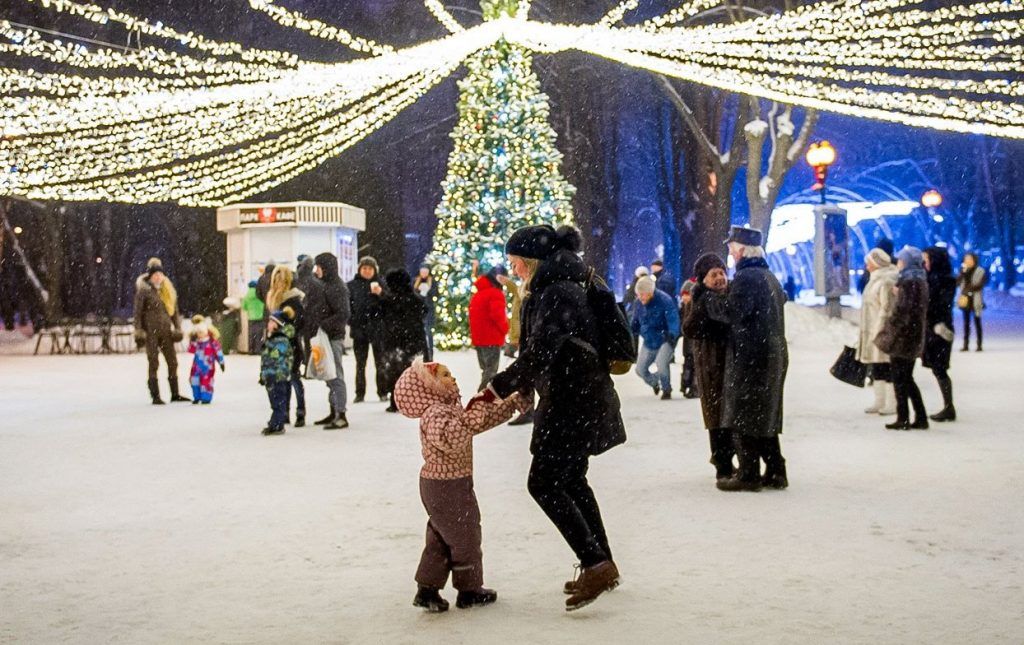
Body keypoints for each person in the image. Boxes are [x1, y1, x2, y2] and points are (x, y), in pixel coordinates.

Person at [488, 224, 626, 612]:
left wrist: (500, 385)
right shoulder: (562, 285)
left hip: (572, 400)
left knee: (544, 482)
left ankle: (597, 563)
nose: (513, 269)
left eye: (515, 262)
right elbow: (546, 348)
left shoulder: (556, 291)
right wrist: (525, 387)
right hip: (577, 396)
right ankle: (601, 561)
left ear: (530, 260)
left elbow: (543, 349)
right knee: (570, 479)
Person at [394, 359, 526, 613]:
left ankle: (427, 589)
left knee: (442, 538)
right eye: (445, 375)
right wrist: (477, 409)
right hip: (447, 486)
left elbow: (475, 424)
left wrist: (509, 405)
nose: (452, 378)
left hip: (444, 484)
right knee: (466, 535)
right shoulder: (435, 414)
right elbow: (451, 437)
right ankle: (469, 590)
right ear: (429, 387)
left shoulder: (447, 409)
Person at [713, 226, 789, 492]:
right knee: (764, 414)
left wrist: (712, 299)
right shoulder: (768, 276)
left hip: (752, 356)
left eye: (732, 248)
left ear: (743, 250)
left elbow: (733, 314)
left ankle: (748, 474)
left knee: (745, 414)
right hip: (772, 354)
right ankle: (777, 471)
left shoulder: (746, 278)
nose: (730, 253)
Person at [682, 253, 735, 483]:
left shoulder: (733, 296)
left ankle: (731, 459)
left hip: (731, 364)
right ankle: (722, 464)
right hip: (710, 368)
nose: (720, 278)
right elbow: (690, 328)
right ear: (703, 278)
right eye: (714, 274)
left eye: (722, 273)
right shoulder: (699, 299)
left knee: (731, 416)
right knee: (716, 417)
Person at [874, 246, 930, 431]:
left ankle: (904, 418)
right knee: (906, 378)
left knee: (900, 378)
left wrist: (892, 328)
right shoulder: (916, 279)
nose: (898, 263)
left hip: (904, 338)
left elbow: (905, 312)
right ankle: (919, 417)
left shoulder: (910, 282)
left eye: (901, 260)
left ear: (906, 262)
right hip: (910, 337)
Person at [133, 261, 188, 404]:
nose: (158, 277)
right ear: (151, 276)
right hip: (151, 332)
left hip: (166, 332)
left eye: (160, 274)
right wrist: (138, 330)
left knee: (173, 362)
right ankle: (155, 395)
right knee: (153, 362)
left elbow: (174, 312)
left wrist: (177, 327)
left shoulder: (167, 290)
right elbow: (138, 313)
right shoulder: (144, 291)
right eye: (155, 275)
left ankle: (175, 394)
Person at [375, 268, 429, 412]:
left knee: (395, 372)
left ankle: (396, 401)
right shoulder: (415, 298)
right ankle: (415, 401)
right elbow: (424, 312)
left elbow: (380, 316)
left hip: (395, 341)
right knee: (415, 372)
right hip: (414, 341)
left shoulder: (389, 300)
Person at [856, 248, 899, 416]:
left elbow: (886, 309)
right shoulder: (874, 279)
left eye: (869, 263)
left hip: (881, 332)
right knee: (877, 367)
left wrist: (878, 330)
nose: (867, 266)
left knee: (886, 366)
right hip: (872, 330)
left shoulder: (886, 280)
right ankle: (879, 400)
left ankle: (891, 403)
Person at [266, 266, 306, 427]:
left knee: (294, 379)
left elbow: (299, 324)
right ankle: (285, 412)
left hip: (292, 345)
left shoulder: (293, 300)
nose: (278, 284)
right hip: (279, 346)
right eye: (275, 280)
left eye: (281, 280)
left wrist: (282, 326)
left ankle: (300, 411)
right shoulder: (275, 301)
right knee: (284, 380)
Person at [314, 253, 351, 430]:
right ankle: (334, 410)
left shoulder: (337, 287)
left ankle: (341, 413)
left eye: (319, 266)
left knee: (335, 374)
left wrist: (323, 324)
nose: (316, 270)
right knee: (329, 375)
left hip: (333, 337)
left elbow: (343, 313)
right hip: (327, 336)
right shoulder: (327, 285)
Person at [630, 275, 680, 400]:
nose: (640, 297)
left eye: (643, 294)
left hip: (665, 339)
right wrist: (630, 333)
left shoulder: (665, 300)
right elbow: (635, 321)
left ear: (651, 292)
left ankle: (666, 389)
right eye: (638, 294)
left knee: (661, 363)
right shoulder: (638, 303)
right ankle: (654, 383)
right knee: (640, 370)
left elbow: (673, 318)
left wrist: (672, 334)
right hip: (649, 340)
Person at [923, 246, 958, 422]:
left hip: (941, 329)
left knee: (940, 368)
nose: (925, 263)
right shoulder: (929, 278)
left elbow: (943, 304)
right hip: (931, 328)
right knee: (937, 368)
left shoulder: (945, 280)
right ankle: (948, 406)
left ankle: (948, 407)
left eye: (927, 260)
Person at [349, 257, 386, 403]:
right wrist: (352, 321)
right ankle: (359, 393)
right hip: (359, 330)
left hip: (378, 330)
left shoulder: (381, 284)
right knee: (360, 364)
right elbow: (348, 307)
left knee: (380, 363)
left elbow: (389, 304)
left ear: (375, 270)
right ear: (359, 269)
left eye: (370, 268)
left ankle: (382, 392)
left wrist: (381, 294)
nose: (367, 271)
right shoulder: (352, 286)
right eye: (364, 268)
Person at [469, 266, 510, 392]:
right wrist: (506, 329)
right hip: (491, 338)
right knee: (491, 371)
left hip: (479, 339)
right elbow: (498, 316)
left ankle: (483, 398)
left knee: (486, 370)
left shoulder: (479, 293)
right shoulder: (495, 294)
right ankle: (480, 399)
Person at [260, 308, 295, 436]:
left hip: (278, 376)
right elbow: (266, 359)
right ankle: (275, 423)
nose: (268, 324)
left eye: (271, 321)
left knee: (279, 401)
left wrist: (272, 373)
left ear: (277, 324)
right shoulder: (272, 339)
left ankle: (277, 425)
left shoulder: (280, 340)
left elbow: (276, 359)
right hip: (270, 375)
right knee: (274, 401)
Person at [294, 255, 326, 374]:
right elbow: (320, 301)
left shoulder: (296, 279)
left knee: (296, 342)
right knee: (310, 343)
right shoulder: (317, 282)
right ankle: (309, 367)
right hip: (312, 317)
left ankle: (297, 366)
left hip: (298, 315)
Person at [187, 315, 225, 404]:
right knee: (194, 380)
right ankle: (197, 397)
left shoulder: (212, 342)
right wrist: (192, 340)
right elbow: (191, 350)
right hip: (196, 366)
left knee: (206, 382)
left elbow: (218, 352)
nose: (200, 335)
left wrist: (221, 362)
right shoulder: (197, 342)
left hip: (208, 367)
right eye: (198, 333)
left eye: (201, 332)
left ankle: (206, 397)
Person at [957, 252, 986, 352]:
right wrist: (962, 273)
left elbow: (980, 285)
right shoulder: (963, 270)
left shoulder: (980, 271)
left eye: (969, 259)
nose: (967, 261)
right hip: (966, 299)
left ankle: (979, 344)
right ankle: (965, 344)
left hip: (976, 299)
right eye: (965, 259)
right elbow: (958, 282)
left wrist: (968, 289)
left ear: (974, 260)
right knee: (966, 322)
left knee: (977, 321)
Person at [678, 279, 699, 398]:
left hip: (694, 343)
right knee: (687, 364)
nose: (685, 298)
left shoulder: (694, 308)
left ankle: (693, 387)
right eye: (683, 295)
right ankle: (686, 384)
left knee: (694, 366)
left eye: (687, 295)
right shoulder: (683, 308)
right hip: (687, 345)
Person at [414, 265, 438, 362]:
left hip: (428, 310)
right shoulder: (416, 281)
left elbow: (436, 293)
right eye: (422, 271)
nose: (424, 273)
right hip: (418, 310)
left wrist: (428, 290)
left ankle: (429, 355)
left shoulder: (432, 281)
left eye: (425, 271)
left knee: (428, 332)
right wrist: (418, 291)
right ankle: (419, 354)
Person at [241, 280, 265, 355]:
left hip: (251, 317)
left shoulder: (247, 296)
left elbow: (244, 307)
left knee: (251, 334)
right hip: (260, 316)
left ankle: (251, 350)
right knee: (259, 334)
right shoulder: (260, 294)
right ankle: (258, 350)